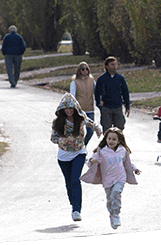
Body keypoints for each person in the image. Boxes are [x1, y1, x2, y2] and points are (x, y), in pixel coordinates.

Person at [51, 93, 103, 222]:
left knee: (75, 180)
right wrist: (64, 141)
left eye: (71, 108)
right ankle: (73, 203)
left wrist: (98, 128)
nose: (69, 111)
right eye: (66, 108)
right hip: (63, 156)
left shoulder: (80, 118)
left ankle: (76, 210)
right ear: (62, 109)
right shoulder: (58, 122)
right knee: (69, 182)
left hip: (79, 153)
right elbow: (53, 138)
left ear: (75, 108)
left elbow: (91, 123)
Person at [81, 127, 140, 229]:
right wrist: (92, 161)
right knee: (110, 199)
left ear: (119, 141)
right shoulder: (102, 151)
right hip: (107, 179)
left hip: (120, 178)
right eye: (109, 139)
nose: (111, 141)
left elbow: (128, 163)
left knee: (116, 193)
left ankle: (116, 214)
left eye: (114, 139)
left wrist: (135, 169)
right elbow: (90, 161)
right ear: (106, 139)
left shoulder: (122, 150)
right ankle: (112, 215)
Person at [94, 56, 130, 131]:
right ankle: (107, 142)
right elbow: (97, 92)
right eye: (112, 65)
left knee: (119, 127)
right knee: (107, 129)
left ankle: (118, 142)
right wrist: (99, 102)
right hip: (106, 107)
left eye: (115, 64)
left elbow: (125, 92)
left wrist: (127, 106)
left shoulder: (120, 78)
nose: (114, 66)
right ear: (107, 66)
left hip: (117, 106)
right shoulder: (102, 79)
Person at [69, 62, 97, 145]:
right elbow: (72, 96)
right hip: (79, 111)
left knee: (91, 131)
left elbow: (96, 93)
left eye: (87, 69)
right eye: (83, 69)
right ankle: (78, 148)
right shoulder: (75, 82)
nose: (85, 71)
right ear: (79, 70)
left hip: (90, 109)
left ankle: (83, 145)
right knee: (77, 131)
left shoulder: (92, 81)